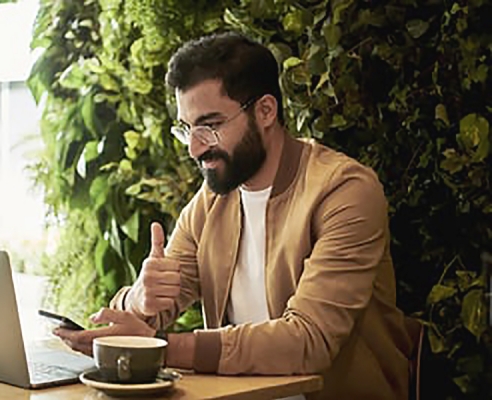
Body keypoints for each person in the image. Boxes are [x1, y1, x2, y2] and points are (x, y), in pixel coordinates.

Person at [54, 31, 413, 400]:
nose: (195, 148)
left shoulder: (344, 191)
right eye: (187, 129)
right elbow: (146, 316)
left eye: (210, 126)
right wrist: (141, 300)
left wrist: (162, 346)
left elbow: (309, 340)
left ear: (266, 111)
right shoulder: (213, 200)